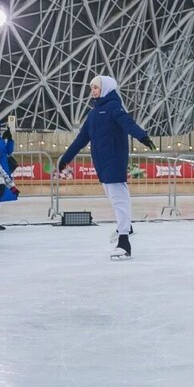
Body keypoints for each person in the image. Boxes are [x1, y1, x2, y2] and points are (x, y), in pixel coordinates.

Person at [57, 75, 155, 258]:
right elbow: (81, 139)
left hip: (114, 159)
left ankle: (124, 242)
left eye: (96, 87)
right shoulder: (93, 114)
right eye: (91, 88)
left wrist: (142, 136)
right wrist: (66, 158)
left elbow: (127, 122)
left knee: (119, 199)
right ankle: (125, 227)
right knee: (114, 197)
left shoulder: (113, 107)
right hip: (101, 162)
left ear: (107, 88)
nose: (93, 91)